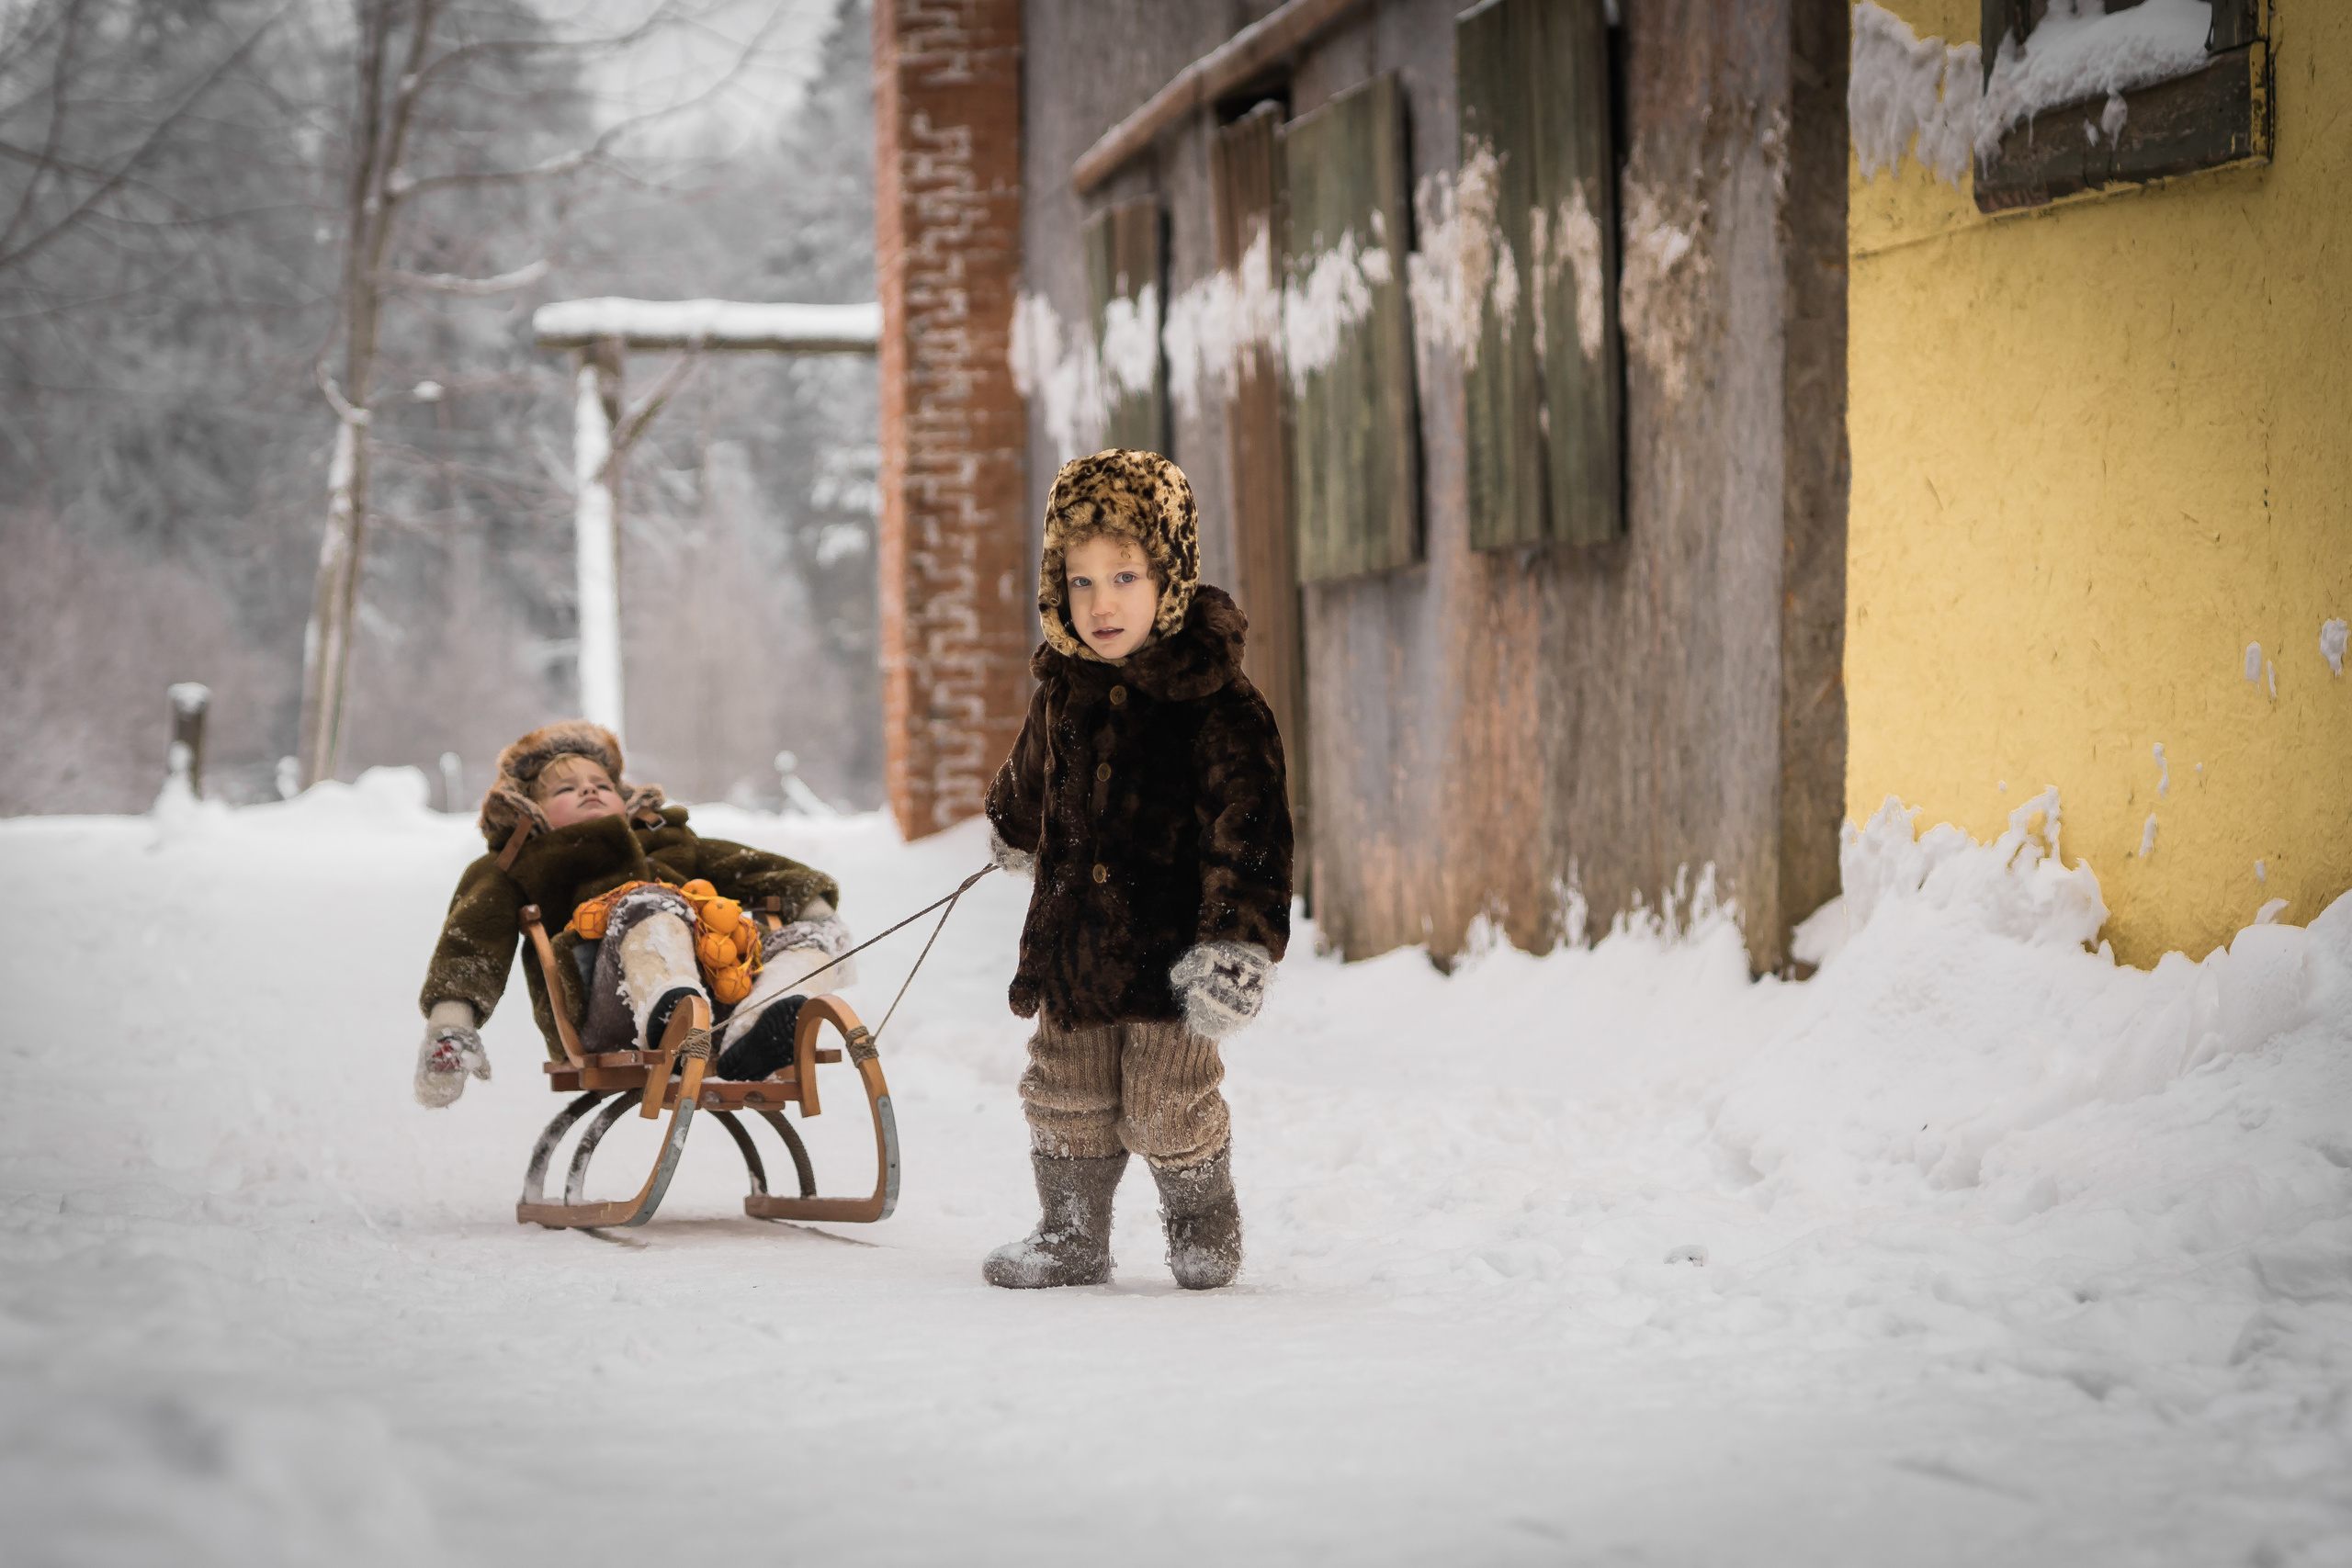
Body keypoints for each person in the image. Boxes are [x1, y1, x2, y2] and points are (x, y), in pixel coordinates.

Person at [981, 449, 1294, 1291]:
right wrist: (1012, 823)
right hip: (1075, 944)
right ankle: (1071, 1232)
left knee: (1167, 1104)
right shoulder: (1064, 687)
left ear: (1172, 576)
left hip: (1171, 954)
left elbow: (1252, 830)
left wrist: (1235, 944)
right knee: (1064, 1091)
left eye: (1124, 575)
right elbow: (1033, 772)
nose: (1102, 602)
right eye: (1080, 582)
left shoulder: (1219, 703)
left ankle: (1202, 1217)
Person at [413, 721, 854, 1107]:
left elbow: (755, 867)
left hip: (722, 1001)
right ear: (532, 813)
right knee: (649, 903)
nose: (589, 789)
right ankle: (672, 1018)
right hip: (606, 1012)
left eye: (602, 785)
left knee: (806, 942)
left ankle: (759, 1028)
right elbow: (471, 946)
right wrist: (451, 1027)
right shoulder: (521, 862)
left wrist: (814, 912)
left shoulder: (668, 840)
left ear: (624, 799)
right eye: (565, 789)